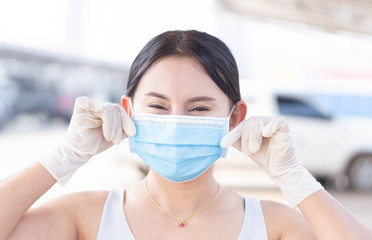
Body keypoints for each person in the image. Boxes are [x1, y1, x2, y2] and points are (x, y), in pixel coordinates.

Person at [1, 30, 371, 240]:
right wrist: (62, 158)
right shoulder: (86, 216)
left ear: (234, 117)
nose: (176, 121)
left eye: (198, 109)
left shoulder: (273, 225)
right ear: (128, 112)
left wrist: (295, 179)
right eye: (158, 106)